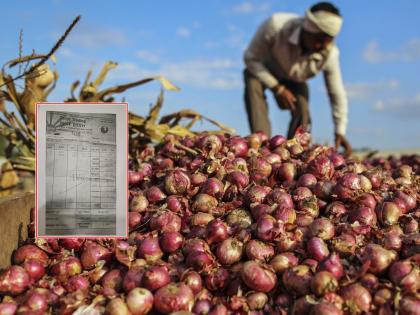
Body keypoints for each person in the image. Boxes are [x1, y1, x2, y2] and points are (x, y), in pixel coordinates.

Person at [243, 2, 352, 156]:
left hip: (295, 80)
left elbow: (336, 93)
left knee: (302, 109)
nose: (322, 45)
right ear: (307, 28)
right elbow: (250, 58)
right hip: (266, 70)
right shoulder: (276, 25)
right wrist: (277, 88)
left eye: (328, 40)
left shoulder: (330, 53)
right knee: (252, 81)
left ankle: (292, 155)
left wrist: (340, 131)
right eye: (319, 39)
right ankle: (261, 147)